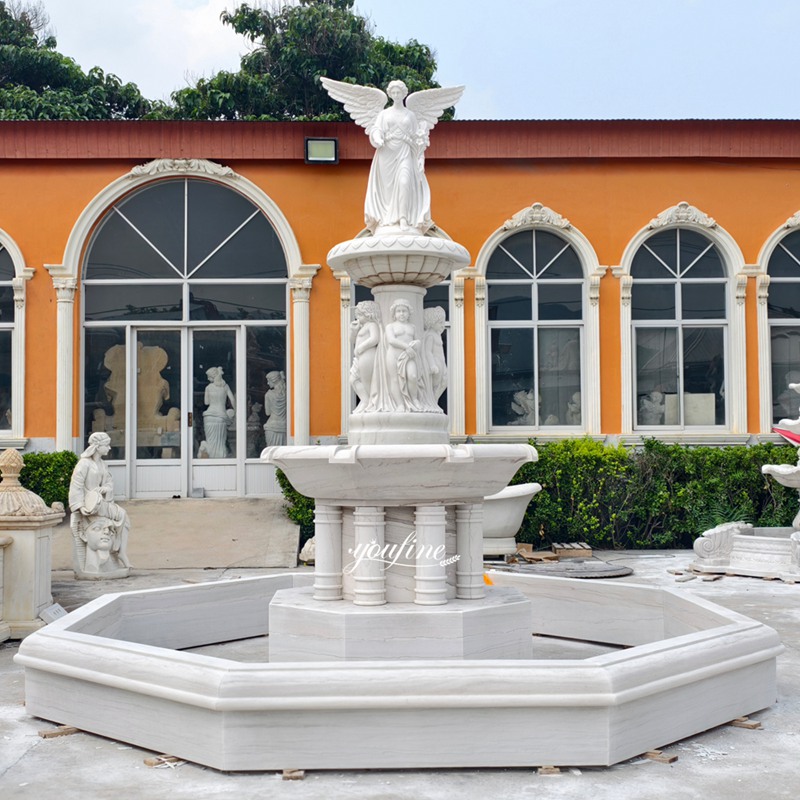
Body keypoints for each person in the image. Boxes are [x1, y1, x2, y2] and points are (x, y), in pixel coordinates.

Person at [69, 431, 131, 573]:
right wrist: (79, 506)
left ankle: (120, 550)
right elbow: (76, 485)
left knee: (124, 519)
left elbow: (109, 482)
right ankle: (120, 550)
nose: (109, 448)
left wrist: (104, 489)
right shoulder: (84, 464)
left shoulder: (103, 464)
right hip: (89, 505)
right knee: (123, 515)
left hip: (101, 502)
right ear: (97, 446)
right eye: (106, 445)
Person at [384, 299, 422, 411]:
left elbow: (418, 340)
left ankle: (414, 399)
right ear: (394, 314)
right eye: (399, 311)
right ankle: (400, 404)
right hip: (394, 355)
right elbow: (391, 340)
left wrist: (417, 343)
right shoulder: (390, 326)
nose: (401, 313)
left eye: (404, 311)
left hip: (409, 356)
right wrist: (407, 347)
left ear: (409, 313)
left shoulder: (412, 327)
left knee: (412, 376)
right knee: (394, 379)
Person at [350, 301, 382, 410]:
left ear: (368, 314)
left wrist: (362, 347)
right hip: (360, 357)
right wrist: (353, 331)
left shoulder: (372, 325)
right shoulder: (362, 327)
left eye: (360, 315)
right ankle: (365, 400)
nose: (357, 317)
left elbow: (375, 338)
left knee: (366, 380)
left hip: (368, 355)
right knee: (353, 379)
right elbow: (352, 340)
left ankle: (372, 402)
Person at [202, 366, 235, 458]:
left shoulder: (208, 388)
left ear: (213, 376)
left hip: (209, 416)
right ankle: (221, 458)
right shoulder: (225, 386)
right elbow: (232, 400)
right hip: (221, 415)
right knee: (221, 442)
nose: (208, 379)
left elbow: (206, 402)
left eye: (209, 377)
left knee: (210, 440)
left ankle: (208, 453)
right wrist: (236, 411)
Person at [421, 306, 447, 407]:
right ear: (432, 322)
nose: (442, 325)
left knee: (444, 382)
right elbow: (428, 352)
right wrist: (432, 365)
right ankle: (432, 401)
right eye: (440, 323)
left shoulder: (437, 335)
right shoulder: (430, 335)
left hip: (441, 362)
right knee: (434, 384)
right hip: (435, 363)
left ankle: (434, 401)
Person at [263, 370, 287, 446]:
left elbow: (268, 413)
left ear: (274, 381)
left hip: (272, 426)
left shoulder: (268, 394)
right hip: (283, 426)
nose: (267, 383)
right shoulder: (286, 394)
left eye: (268, 381)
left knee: (271, 453)